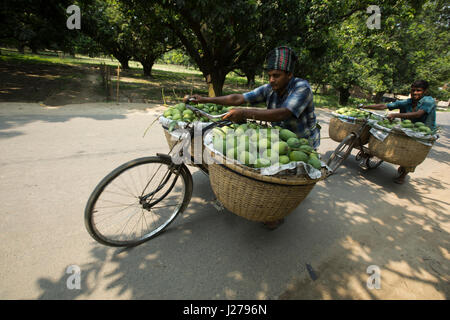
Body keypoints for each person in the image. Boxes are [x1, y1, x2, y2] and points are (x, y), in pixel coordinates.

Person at [184, 46, 320, 229]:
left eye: (276, 75)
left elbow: (283, 114)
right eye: (270, 75)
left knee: (281, 180)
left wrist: (245, 113)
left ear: (289, 75)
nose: (271, 79)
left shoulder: (302, 88)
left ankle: (276, 213)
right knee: (261, 167)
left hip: (301, 141)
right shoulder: (270, 88)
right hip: (278, 137)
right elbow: (237, 99)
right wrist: (204, 100)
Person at [364, 80, 437, 184]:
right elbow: (384, 106)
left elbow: (418, 114)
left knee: (413, 151)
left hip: (423, 131)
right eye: (413, 90)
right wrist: (364, 106)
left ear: (425, 91)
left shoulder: (428, 101)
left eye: (418, 90)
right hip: (407, 128)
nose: (415, 93)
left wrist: (395, 115)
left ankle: (403, 174)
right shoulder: (408, 102)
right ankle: (373, 153)